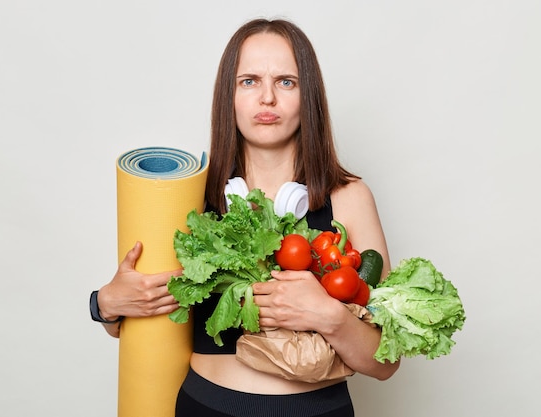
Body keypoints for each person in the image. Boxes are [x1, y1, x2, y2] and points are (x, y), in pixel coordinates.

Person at [92, 18, 399, 417]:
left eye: (286, 81)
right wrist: (106, 304)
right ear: (229, 96)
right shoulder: (188, 196)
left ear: (309, 96)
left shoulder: (350, 198)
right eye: (249, 81)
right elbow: (138, 313)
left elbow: (386, 362)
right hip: (206, 407)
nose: (267, 98)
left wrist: (330, 317)